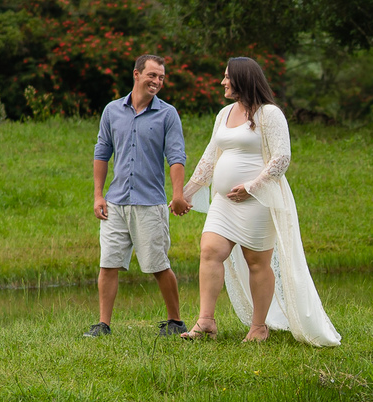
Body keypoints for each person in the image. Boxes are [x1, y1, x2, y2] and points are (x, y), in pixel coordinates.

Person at [181, 57, 340, 346]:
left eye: (227, 77)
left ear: (243, 79)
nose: (223, 82)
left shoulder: (270, 114)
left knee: (257, 262)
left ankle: (258, 327)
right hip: (224, 202)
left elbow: (282, 158)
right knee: (210, 250)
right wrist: (187, 192)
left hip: (258, 199)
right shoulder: (225, 113)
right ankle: (206, 321)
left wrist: (252, 187)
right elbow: (209, 157)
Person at [88, 54, 190, 338]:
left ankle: (175, 322)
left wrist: (178, 194)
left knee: (158, 265)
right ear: (136, 74)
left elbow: (176, 156)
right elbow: (102, 152)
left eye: (161, 77)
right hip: (116, 202)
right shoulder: (112, 111)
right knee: (108, 263)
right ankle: (103, 325)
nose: (157, 81)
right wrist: (98, 195)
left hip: (150, 204)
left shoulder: (168, 114)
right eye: (152, 75)